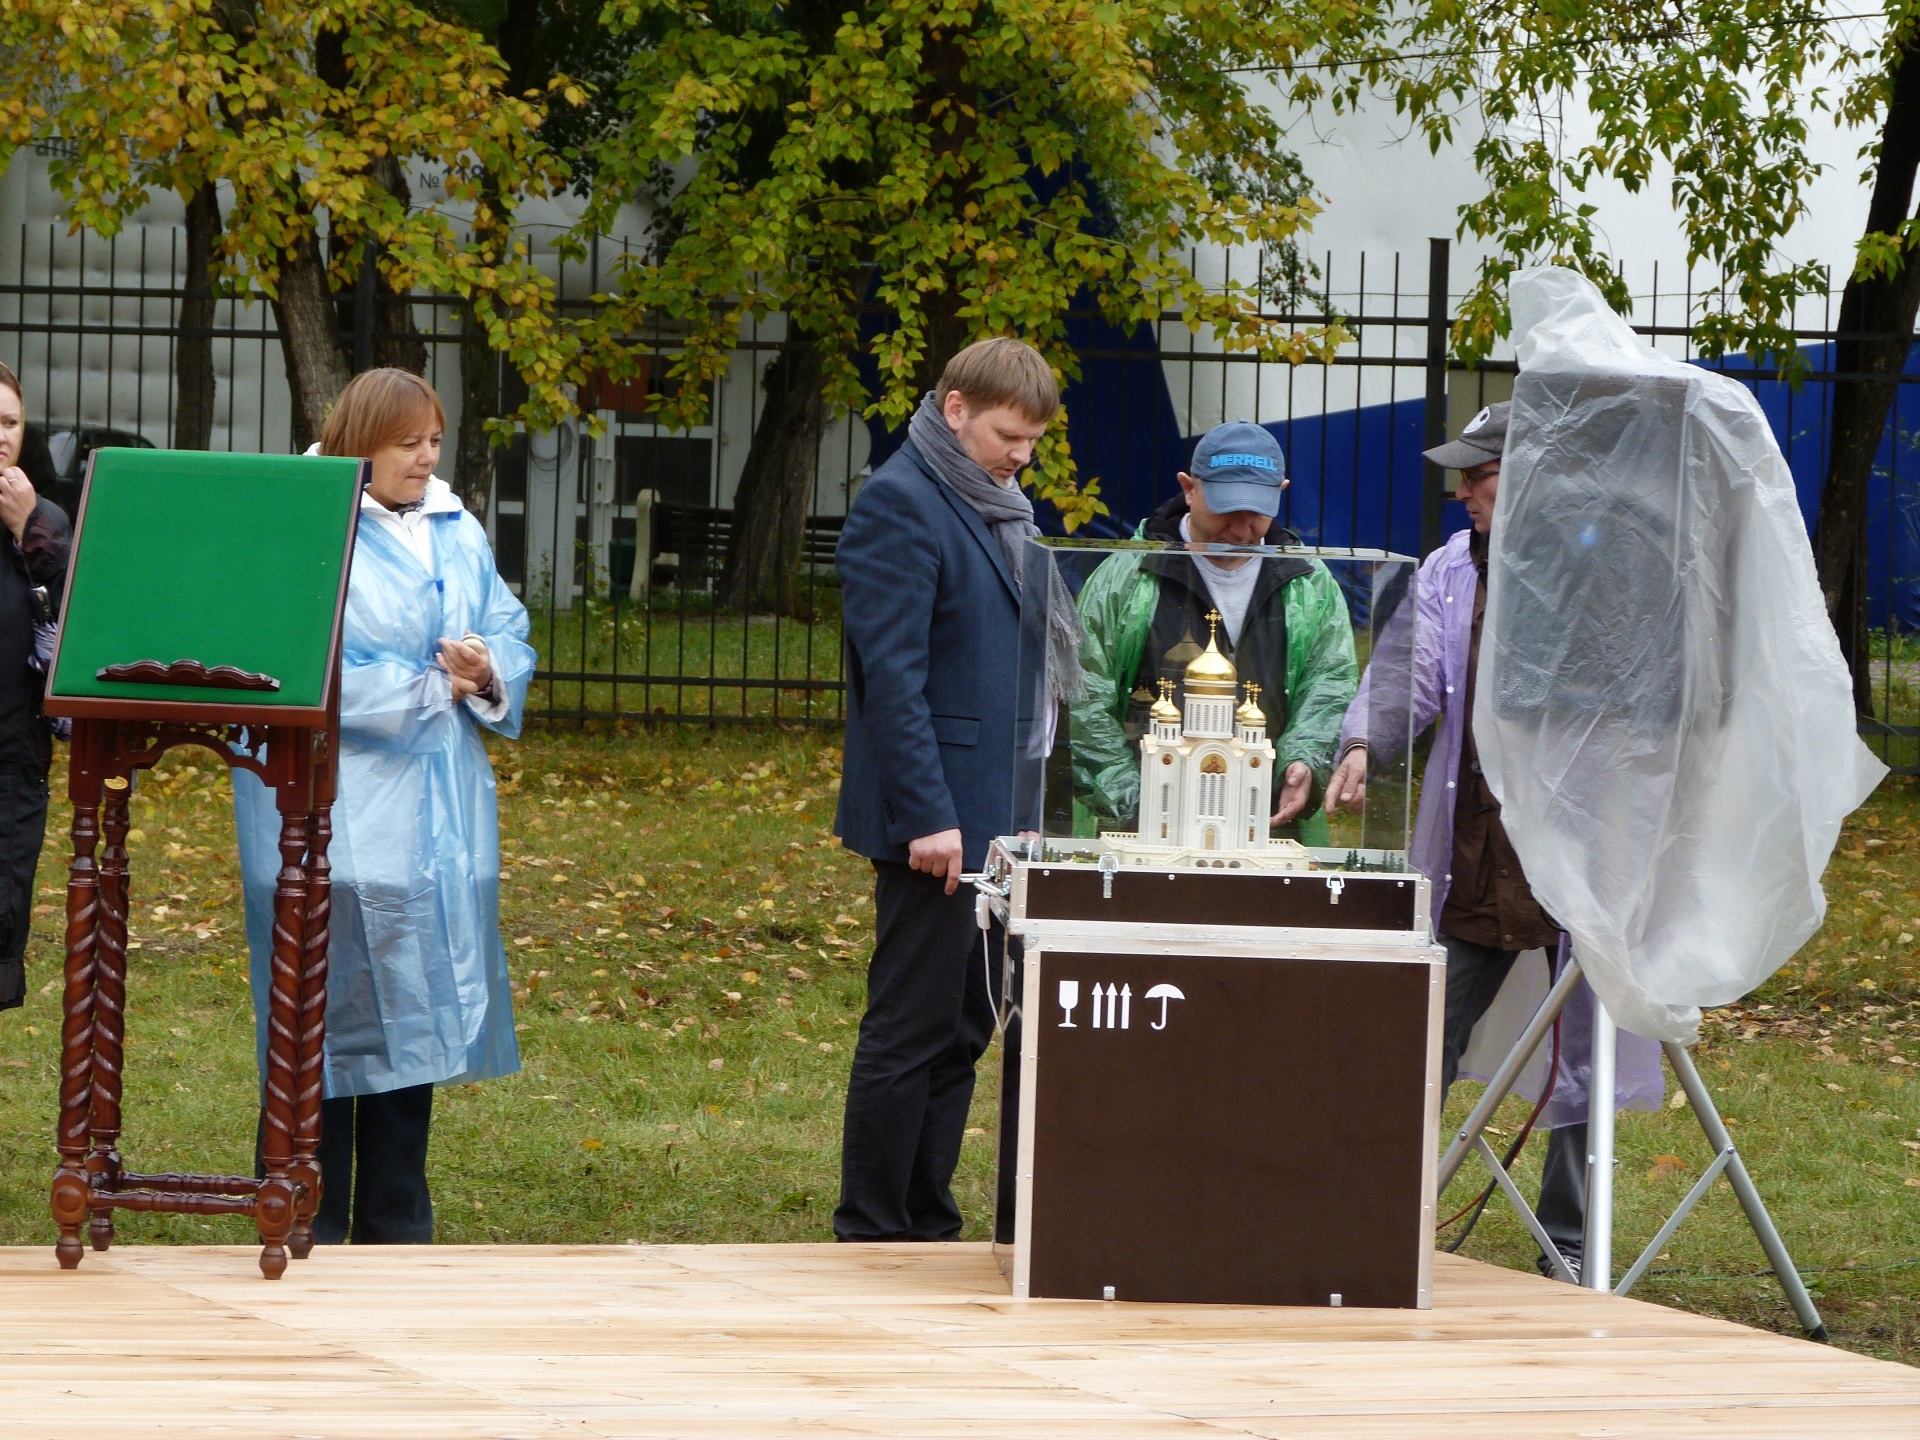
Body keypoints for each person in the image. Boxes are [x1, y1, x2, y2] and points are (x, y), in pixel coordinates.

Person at [1327, 401, 1661, 1280]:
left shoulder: (1607, 567)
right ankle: (1377, 1215)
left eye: (1479, 475)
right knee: (1421, 1029)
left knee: (1583, 1048)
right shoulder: (1449, 569)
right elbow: (1404, 674)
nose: (1463, 492)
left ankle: (1572, 1242)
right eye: (1464, 477)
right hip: (1476, 854)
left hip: (1579, 858)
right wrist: (1363, 744)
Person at [235, 367, 533, 1243]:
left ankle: (397, 1228)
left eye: (435, 440)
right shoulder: (305, 525)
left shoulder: (456, 526)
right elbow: (290, 662)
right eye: (408, 443)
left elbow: (507, 623)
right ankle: (305, 1219)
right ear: (360, 444)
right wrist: (427, 689)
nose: (427, 457)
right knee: (317, 1021)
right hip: (327, 811)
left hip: (434, 821)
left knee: (414, 1009)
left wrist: (486, 666)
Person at [833, 337, 1059, 1242]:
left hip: (997, 815)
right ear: (955, 409)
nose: (1021, 457)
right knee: (911, 1024)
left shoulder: (996, 505)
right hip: (937, 824)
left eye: (1033, 442)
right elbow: (890, 679)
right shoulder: (901, 502)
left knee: (966, 1023)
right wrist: (930, 815)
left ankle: (926, 1217)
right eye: (1009, 436)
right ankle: (872, 1224)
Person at [1072, 421, 1357, 843]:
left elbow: (1330, 684)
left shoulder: (1308, 583)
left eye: (1256, 513)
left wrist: (1304, 762)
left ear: (1281, 491)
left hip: (1272, 825)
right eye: (1227, 510)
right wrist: (1138, 803)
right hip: (1138, 829)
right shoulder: (1126, 578)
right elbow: (1083, 698)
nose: (1241, 531)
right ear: (1189, 489)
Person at [0, 361, 70, 1011]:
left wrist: (30, 531)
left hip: (12, 758)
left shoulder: (45, 520)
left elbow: (73, 623)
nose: (1, 436)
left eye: (10, 422)